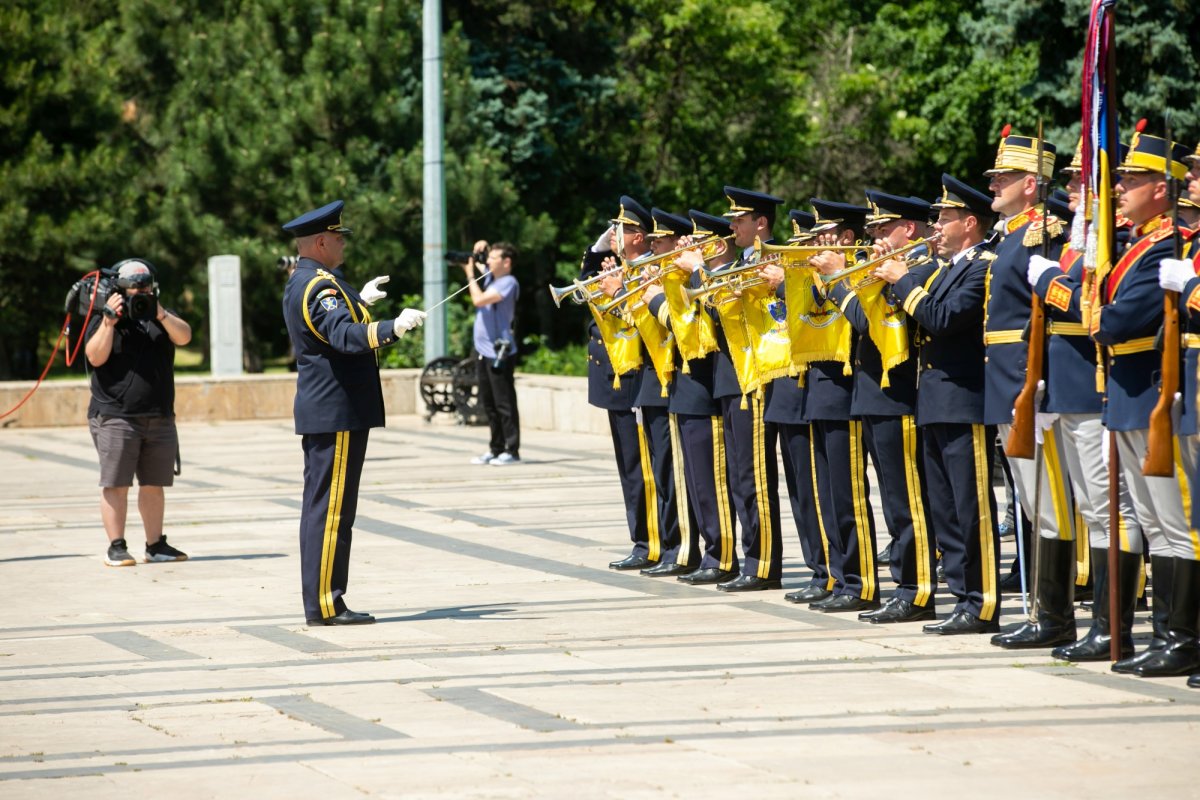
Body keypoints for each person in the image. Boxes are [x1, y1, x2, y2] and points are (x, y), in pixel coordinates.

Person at [281, 200, 426, 626]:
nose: (343, 244)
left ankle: (325, 600)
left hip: (332, 410)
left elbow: (328, 327)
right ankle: (326, 603)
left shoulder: (314, 281)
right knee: (331, 512)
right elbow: (343, 336)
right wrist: (392, 328)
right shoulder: (318, 286)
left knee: (327, 508)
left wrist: (358, 298)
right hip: (336, 411)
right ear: (321, 241)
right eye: (339, 237)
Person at [875, 174, 1002, 634]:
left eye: (944, 219)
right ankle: (963, 597)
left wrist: (903, 280)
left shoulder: (982, 265)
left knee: (972, 508)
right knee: (945, 509)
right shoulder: (947, 268)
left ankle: (982, 601)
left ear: (969, 223)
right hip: (934, 401)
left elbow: (944, 319)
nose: (936, 227)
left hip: (964, 402)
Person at [85, 259, 193, 567]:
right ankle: (116, 546)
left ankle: (155, 544)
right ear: (121, 289)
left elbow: (184, 336)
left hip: (159, 414)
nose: (141, 292)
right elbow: (94, 356)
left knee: (153, 483)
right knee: (116, 483)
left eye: (146, 286)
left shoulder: (160, 313)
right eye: (135, 287)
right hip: (116, 415)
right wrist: (108, 321)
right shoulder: (105, 315)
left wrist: (160, 313)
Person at [463, 239, 521, 466]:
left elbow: (478, 299)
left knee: (504, 402)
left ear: (506, 262)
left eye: (493, 258)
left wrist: (469, 275)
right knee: (488, 403)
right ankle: (495, 448)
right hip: (482, 351)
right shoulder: (490, 279)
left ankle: (512, 449)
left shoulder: (508, 282)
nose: (488, 261)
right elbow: (481, 262)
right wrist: (481, 247)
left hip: (500, 352)